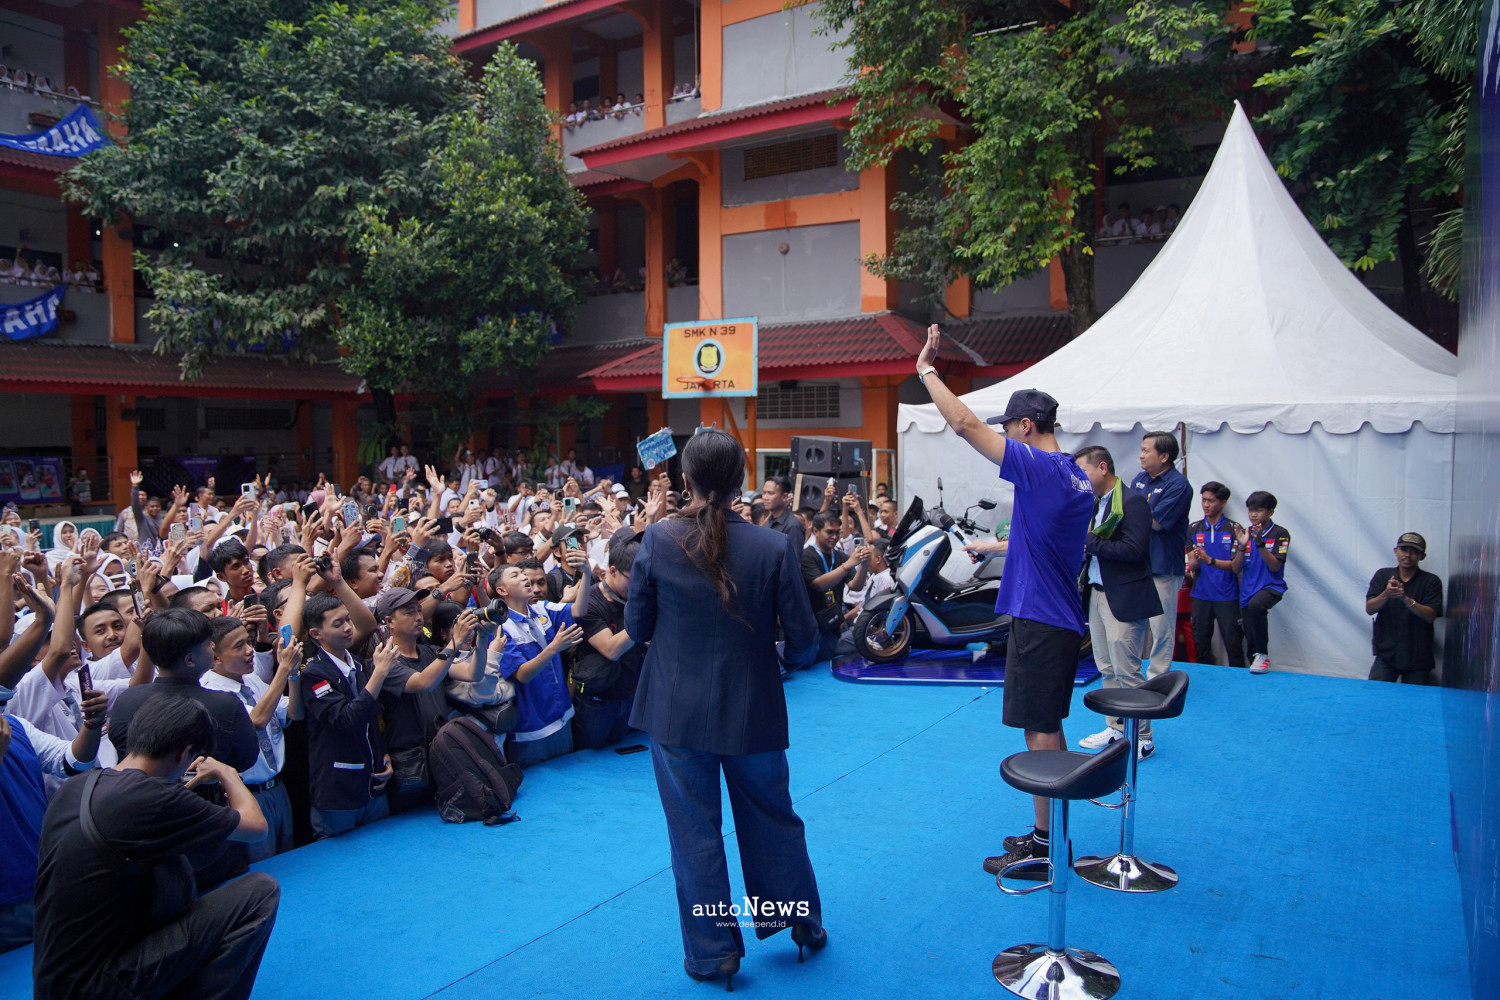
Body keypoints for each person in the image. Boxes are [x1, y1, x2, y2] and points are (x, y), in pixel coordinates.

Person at [625, 428, 824, 988]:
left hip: (675, 712)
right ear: (742, 482)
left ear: (686, 479)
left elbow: (637, 626)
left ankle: (714, 952)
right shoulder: (773, 545)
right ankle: (797, 921)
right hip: (754, 708)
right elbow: (807, 642)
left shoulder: (659, 540)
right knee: (772, 817)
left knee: (695, 833)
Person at [913, 325, 1094, 878]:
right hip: (1057, 617)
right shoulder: (1077, 478)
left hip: (1042, 620)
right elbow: (1042, 539)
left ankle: (1045, 849)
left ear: (1026, 427)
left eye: (1011, 430)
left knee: (1040, 731)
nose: (1007, 441)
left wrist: (926, 371)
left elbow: (964, 424)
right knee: (1046, 727)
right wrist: (996, 543)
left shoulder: (1040, 468)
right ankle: (1046, 835)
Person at [31, 695, 279, 1000]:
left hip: (53, 984)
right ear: (185, 754)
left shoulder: (75, 787)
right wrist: (225, 772)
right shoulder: (154, 797)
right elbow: (256, 827)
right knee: (260, 892)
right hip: (100, 985)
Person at [1073, 446, 1162, 756]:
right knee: (1106, 667)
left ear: (1102, 467)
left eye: (1082, 471)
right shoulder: (1096, 503)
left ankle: (1144, 736)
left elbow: (1135, 551)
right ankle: (1115, 727)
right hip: (1097, 592)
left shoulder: (1133, 502)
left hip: (1123, 595)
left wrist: (1090, 542)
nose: (1079, 478)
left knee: (1128, 670)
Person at [198, 616, 302, 861]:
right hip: (247, 795)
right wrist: (283, 669)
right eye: (238, 647)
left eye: (248, 642)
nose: (248, 651)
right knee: (262, 867)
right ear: (215, 657)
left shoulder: (252, 679)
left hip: (277, 788)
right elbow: (255, 722)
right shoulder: (212, 690)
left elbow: (294, 713)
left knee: (290, 864)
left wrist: (294, 675)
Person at [299, 592, 397, 837]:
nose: (347, 627)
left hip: (373, 782)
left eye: (347, 620)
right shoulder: (313, 674)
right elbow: (345, 719)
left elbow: (372, 719)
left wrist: (382, 753)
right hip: (338, 791)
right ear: (316, 634)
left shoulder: (356, 663)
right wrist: (379, 675)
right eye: (337, 623)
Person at [493, 555, 589, 766]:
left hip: (562, 716)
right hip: (531, 728)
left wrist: (587, 573)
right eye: (516, 575)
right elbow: (523, 675)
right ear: (502, 591)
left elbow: (578, 610)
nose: (525, 577)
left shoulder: (542, 609)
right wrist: (554, 647)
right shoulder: (501, 628)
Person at [1130, 431, 1192, 679]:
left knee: (1161, 626)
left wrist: (1133, 515)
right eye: (1142, 450)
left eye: (1147, 451)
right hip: (1137, 563)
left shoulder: (1178, 485)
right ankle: (1132, 672)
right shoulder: (1139, 479)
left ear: (1165, 456)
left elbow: (1156, 522)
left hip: (1163, 564)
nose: (1141, 455)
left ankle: (1157, 676)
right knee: (1133, 622)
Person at [1365, 532, 1443, 683]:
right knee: (1375, 698)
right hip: (1386, 655)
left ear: (1422, 556)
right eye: (1404, 549)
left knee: (1415, 704)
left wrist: (1406, 599)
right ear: (1395, 551)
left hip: (1418, 657)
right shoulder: (1383, 575)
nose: (1408, 555)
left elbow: (1431, 616)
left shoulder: (1431, 581)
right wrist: (1386, 594)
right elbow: (1369, 609)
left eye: (1414, 551)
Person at [1185, 481, 1245, 669]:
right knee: (1200, 645)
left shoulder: (1234, 528)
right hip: (1200, 594)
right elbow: (1192, 565)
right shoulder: (1194, 528)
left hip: (1227, 595)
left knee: (1233, 643)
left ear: (1223, 502)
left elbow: (1236, 566)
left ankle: (1240, 684)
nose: (1206, 505)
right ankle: (1206, 681)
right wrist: (1193, 560)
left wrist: (1209, 559)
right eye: (1203, 500)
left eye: (1211, 500)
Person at [801, 509, 870, 663]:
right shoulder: (806, 555)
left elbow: (855, 586)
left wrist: (864, 565)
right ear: (815, 531)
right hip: (809, 623)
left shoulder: (841, 556)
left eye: (837, 533)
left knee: (827, 660)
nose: (834, 537)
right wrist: (848, 565)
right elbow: (818, 584)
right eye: (829, 532)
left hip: (832, 622)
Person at [1237, 491, 1291, 674]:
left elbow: (1275, 566)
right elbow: (1236, 568)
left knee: (1257, 605)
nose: (1253, 515)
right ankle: (1256, 661)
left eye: (1258, 510)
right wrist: (1242, 546)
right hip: (1248, 590)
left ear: (1270, 512)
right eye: (1250, 510)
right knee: (1249, 636)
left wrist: (1260, 544)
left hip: (1271, 586)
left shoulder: (1280, 533)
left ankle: (1263, 655)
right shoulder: (1245, 533)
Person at [761, 474, 805, 551]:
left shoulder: (793, 526)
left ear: (785, 497)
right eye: (764, 493)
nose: (765, 497)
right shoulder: (769, 520)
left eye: (770, 493)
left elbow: (794, 559)